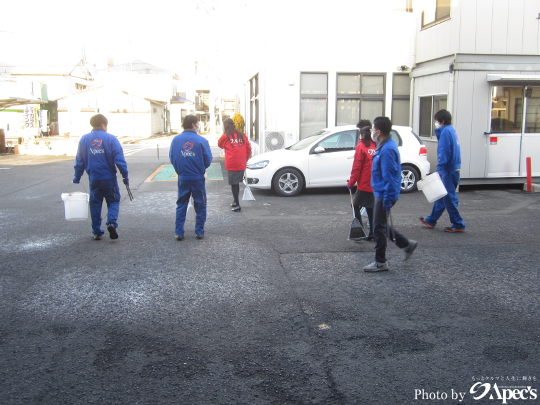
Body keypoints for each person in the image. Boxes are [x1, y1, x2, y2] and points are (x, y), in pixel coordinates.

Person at [363, 116, 418, 272]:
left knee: (378, 228)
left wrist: (387, 198)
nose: (371, 131)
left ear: (378, 132)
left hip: (384, 194)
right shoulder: (384, 145)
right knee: (380, 226)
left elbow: (389, 175)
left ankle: (381, 262)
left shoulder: (387, 149)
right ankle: (406, 245)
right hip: (381, 192)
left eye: (373, 129)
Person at [72, 114, 129, 240]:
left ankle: (96, 231)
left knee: (95, 204)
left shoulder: (84, 139)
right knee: (113, 201)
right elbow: (119, 160)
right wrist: (125, 176)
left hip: (93, 178)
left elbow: (79, 160)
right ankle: (111, 222)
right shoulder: (111, 139)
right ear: (103, 124)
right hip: (108, 178)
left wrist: (77, 176)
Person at [419, 109, 466, 233]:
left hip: (448, 169)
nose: (436, 123)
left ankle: (458, 223)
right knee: (441, 195)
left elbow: (444, 152)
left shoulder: (445, 132)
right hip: (454, 167)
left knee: (448, 197)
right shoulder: (452, 130)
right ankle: (431, 220)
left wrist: (440, 169)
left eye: (436, 121)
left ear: (442, 121)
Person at [169, 115, 213, 240]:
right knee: (200, 203)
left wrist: (180, 170)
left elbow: (172, 158)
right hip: (197, 177)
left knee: (181, 203)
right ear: (194, 125)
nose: (199, 125)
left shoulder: (176, 140)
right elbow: (208, 159)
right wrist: (200, 169)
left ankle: (179, 232)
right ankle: (199, 231)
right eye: (198, 123)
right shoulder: (201, 140)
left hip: (183, 177)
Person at [347, 124, 376, 241]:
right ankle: (373, 233)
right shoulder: (376, 146)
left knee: (355, 205)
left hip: (364, 183)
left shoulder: (361, 147)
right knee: (369, 207)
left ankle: (358, 231)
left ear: (362, 135)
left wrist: (351, 182)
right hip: (375, 183)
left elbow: (356, 167)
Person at [218, 118, 252, 212]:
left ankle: (237, 204)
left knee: (234, 184)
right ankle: (235, 201)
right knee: (237, 183)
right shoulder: (242, 135)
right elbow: (248, 148)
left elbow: (220, 144)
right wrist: (245, 159)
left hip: (232, 163)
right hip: (241, 163)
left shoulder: (226, 136)